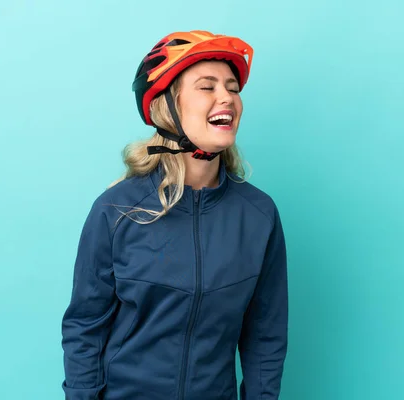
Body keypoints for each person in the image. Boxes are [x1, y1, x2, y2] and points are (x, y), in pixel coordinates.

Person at [61, 30, 289, 400]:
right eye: (207, 86)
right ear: (167, 105)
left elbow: (266, 335)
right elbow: (85, 327)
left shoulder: (259, 215)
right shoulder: (116, 210)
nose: (226, 98)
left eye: (233, 88)